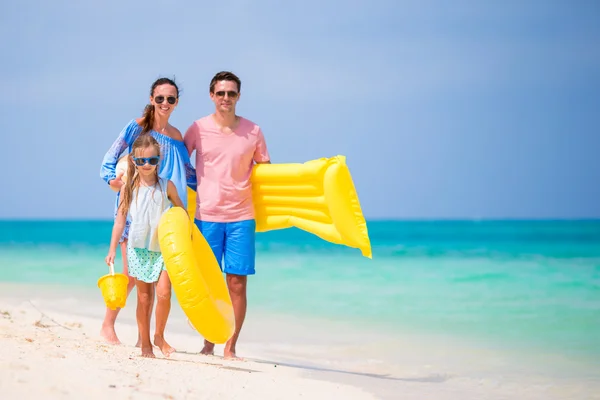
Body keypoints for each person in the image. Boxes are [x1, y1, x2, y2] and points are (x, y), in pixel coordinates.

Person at [99, 77, 196, 346]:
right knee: (132, 274)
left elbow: (188, 174)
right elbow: (111, 157)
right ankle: (108, 326)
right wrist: (112, 179)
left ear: (177, 103)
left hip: (165, 215)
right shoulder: (137, 127)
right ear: (152, 99)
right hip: (135, 207)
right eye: (160, 98)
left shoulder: (177, 136)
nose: (165, 103)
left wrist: (215, 186)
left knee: (162, 283)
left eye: (171, 99)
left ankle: (154, 337)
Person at [183, 71, 271, 360]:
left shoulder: (253, 131)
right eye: (220, 93)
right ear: (212, 95)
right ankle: (209, 340)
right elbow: (180, 160)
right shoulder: (197, 128)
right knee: (208, 283)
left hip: (241, 216)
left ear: (239, 96)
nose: (225, 98)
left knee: (237, 282)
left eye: (231, 93)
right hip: (206, 215)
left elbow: (265, 170)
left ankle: (230, 346)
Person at [105, 134, 186, 358]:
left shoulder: (166, 185)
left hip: (163, 249)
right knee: (144, 298)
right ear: (134, 162)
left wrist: (185, 239)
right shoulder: (128, 188)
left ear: (158, 160)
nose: (147, 165)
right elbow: (120, 220)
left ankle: (159, 335)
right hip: (139, 248)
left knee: (163, 293)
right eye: (141, 161)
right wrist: (112, 249)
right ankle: (146, 344)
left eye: (152, 160)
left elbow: (181, 212)